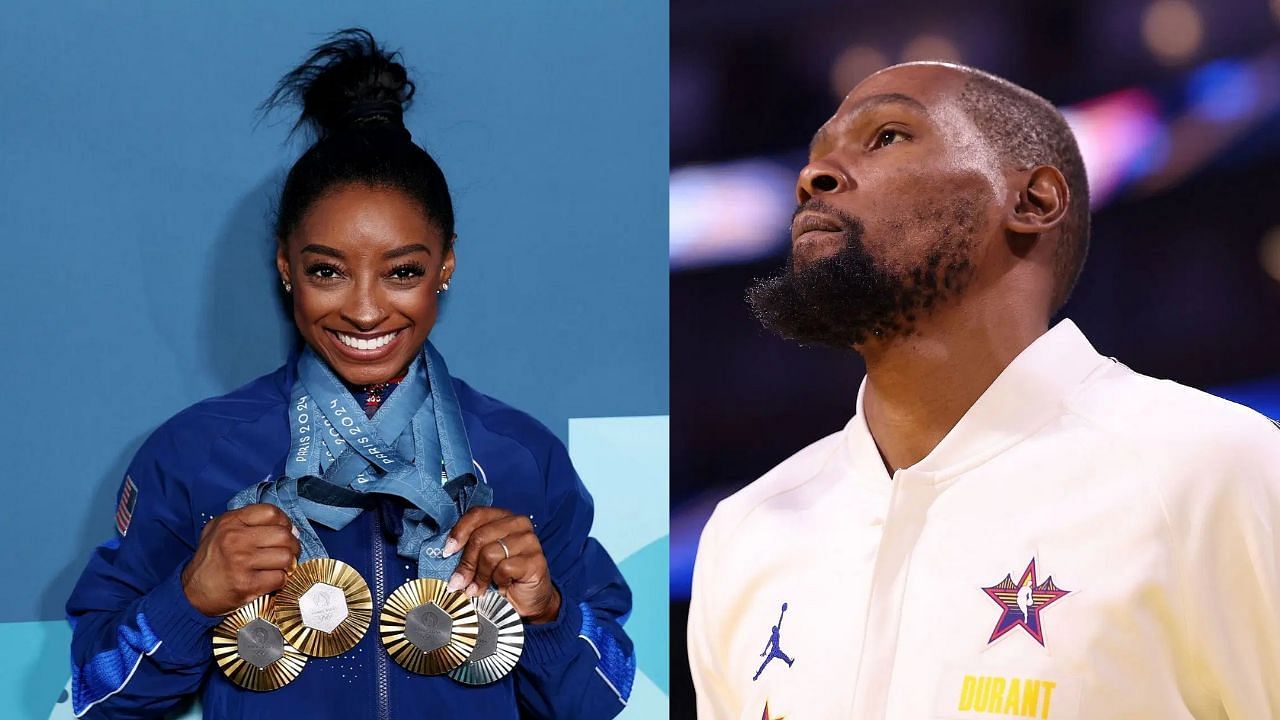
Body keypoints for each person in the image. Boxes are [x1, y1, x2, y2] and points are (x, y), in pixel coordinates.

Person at [66, 29, 634, 719]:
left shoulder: (522, 458)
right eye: (327, 270)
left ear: (445, 267)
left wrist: (545, 611)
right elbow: (98, 697)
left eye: (403, 271)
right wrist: (185, 599)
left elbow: (600, 700)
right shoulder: (194, 455)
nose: (365, 310)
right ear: (285, 268)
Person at [687, 61, 1280, 719]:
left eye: (886, 136)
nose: (814, 177)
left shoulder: (1212, 468)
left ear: (1031, 201)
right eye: (815, 155)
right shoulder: (745, 534)